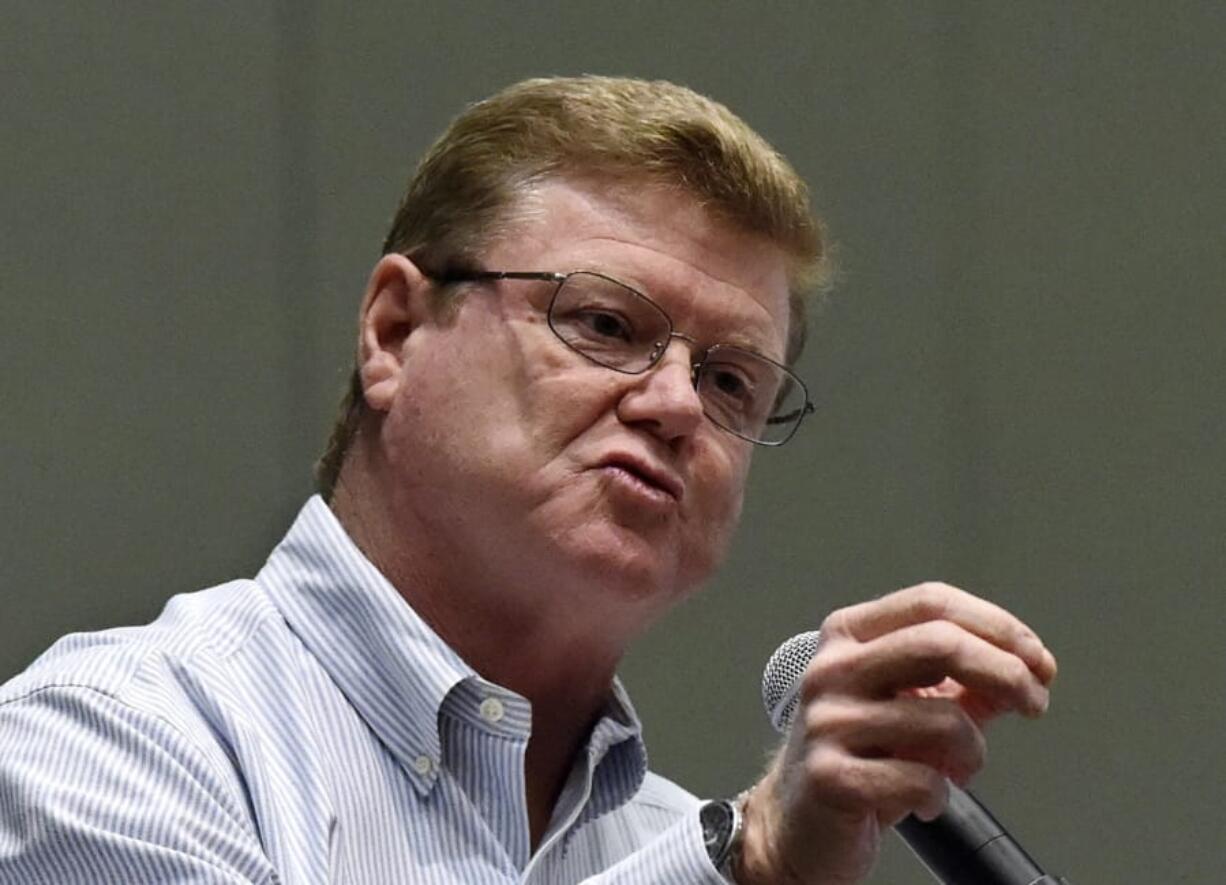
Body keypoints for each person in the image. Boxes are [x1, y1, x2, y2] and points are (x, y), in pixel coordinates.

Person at [0, 76, 1056, 884]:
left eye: (730, 379)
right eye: (604, 325)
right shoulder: (107, 742)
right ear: (395, 331)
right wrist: (746, 858)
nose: (677, 405)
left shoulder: (673, 841)